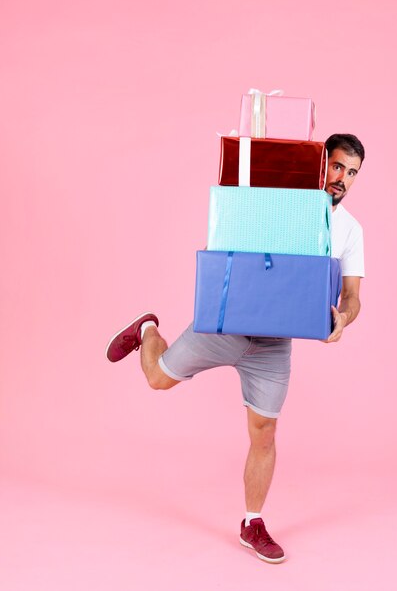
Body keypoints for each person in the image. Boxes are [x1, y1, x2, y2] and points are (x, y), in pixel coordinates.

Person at [105, 133, 365, 564]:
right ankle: (148, 331)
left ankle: (252, 522)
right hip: (227, 325)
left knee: (264, 431)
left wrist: (344, 316)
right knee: (157, 380)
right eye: (337, 166)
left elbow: (353, 296)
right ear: (320, 164)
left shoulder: (350, 230)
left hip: (273, 344)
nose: (342, 179)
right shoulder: (275, 203)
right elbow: (226, 236)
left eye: (352, 173)